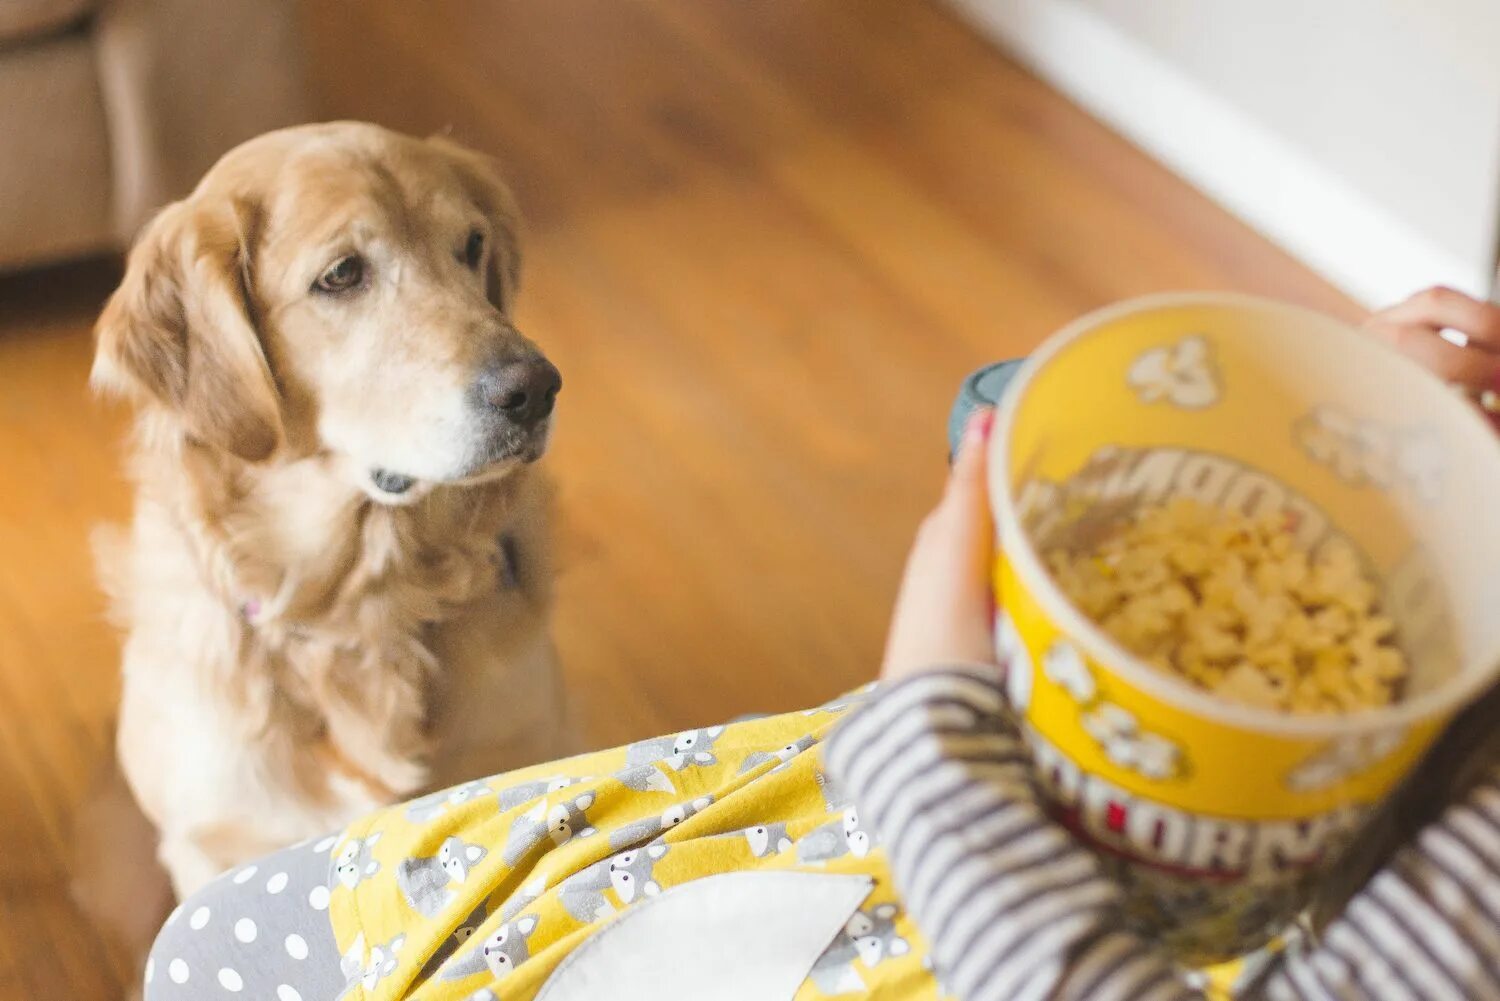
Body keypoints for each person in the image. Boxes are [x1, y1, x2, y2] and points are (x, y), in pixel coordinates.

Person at [143, 288, 1500, 1001]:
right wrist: (1347, 413)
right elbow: (1005, 409)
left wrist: (930, 740)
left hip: (997, 840)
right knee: (218, 940)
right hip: (1005, 799)